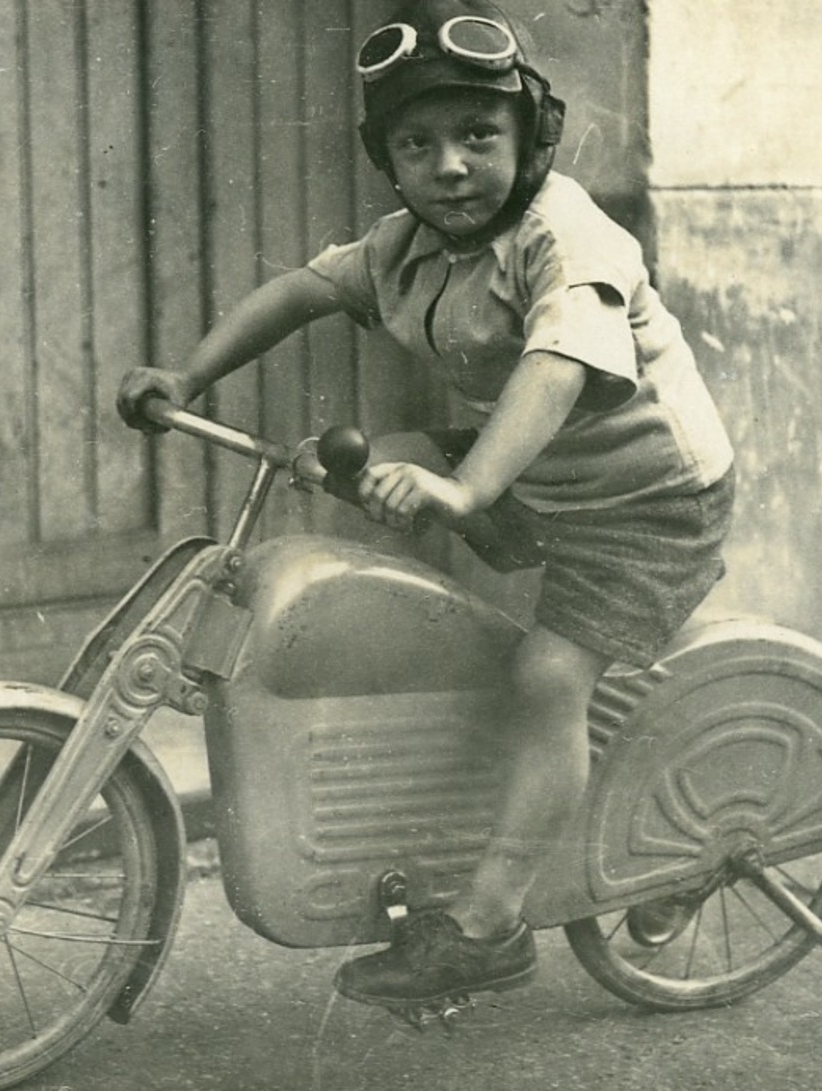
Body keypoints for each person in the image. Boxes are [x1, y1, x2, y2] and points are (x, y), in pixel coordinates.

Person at [118, 0, 736, 1010]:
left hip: (647, 500)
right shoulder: (404, 245)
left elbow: (554, 367)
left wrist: (464, 487)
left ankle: (490, 928)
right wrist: (186, 377)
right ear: (389, 162)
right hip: (538, 473)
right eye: (419, 144)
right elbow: (298, 294)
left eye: (478, 136)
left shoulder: (566, 237)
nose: (450, 165)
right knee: (353, 483)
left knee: (546, 674)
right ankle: (454, 798)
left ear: (530, 136)